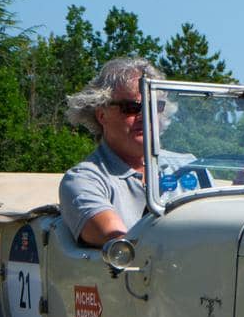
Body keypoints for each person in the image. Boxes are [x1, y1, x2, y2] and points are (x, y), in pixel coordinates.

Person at [60, 57, 167, 245]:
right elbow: (123, 244)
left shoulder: (191, 165)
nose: (145, 117)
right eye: (132, 108)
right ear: (102, 115)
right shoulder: (84, 180)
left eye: (154, 107)